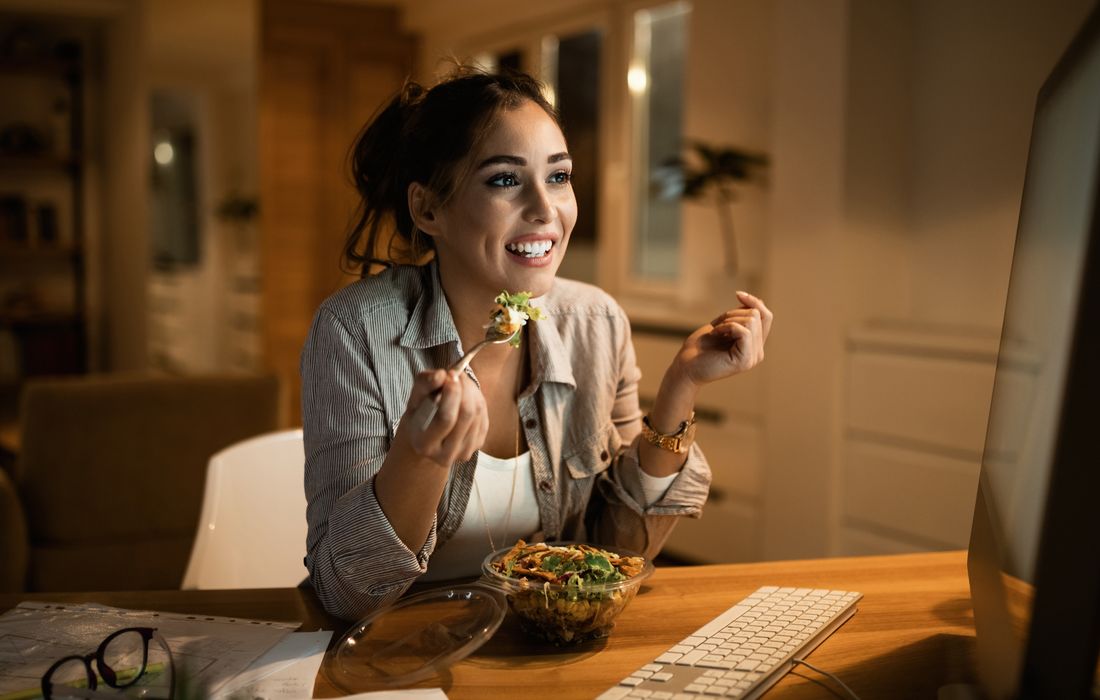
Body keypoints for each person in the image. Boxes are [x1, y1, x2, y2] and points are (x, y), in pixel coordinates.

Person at [300, 68, 773, 621]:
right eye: (504, 179)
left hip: (542, 645)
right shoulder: (353, 331)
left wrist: (681, 388)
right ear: (429, 210)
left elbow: (617, 557)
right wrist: (420, 457)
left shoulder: (595, 322)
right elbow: (346, 595)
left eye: (559, 176)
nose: (546, 209)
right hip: (396, 650)